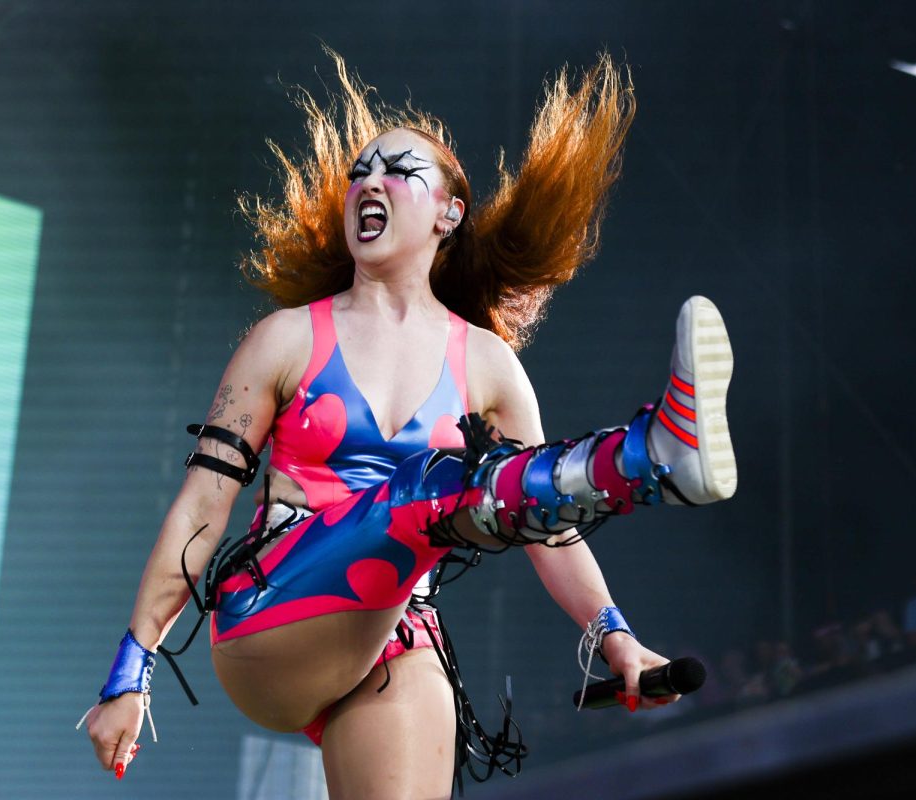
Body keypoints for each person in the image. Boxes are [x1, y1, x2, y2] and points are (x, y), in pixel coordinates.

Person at [80, 51, 738, 798]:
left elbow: (548, 525)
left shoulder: (487, 366)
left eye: (397, 171)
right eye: (360, 173)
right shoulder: (286, 340)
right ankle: (647, 455)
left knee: (454, 512)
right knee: (430, 486)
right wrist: (130, 669)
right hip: (272, 613)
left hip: (396, 633)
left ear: (448, 213)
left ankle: (653, 455)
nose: (369, 182)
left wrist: (615, 636)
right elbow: (201, 508)